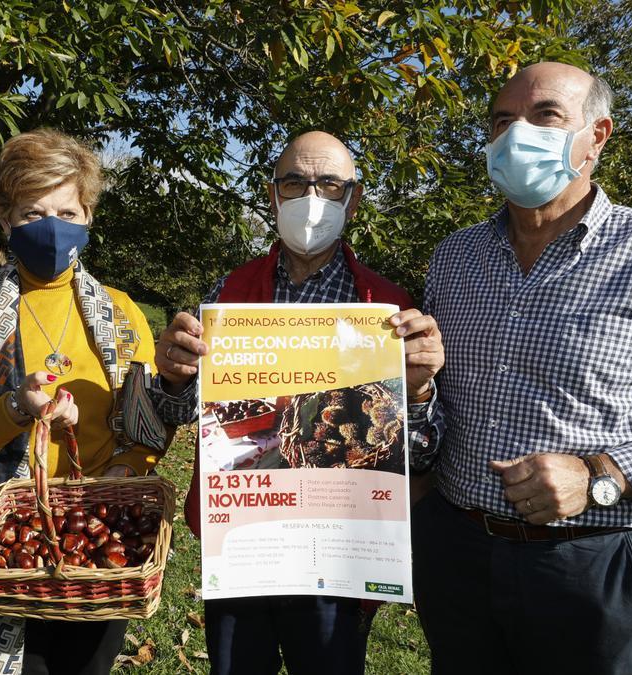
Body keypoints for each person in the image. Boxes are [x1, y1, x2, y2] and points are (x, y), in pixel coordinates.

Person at [414, 61, 632, 674]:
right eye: (502, 120)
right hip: (459, 557)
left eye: (545, 115)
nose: (517, 133)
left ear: (597, 136)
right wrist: (416, 390)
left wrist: (602, 474)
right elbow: (435, 408)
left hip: (601, 564)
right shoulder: (455, 259)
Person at [155, 130, 445, 675]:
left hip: (342, 554)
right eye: (295, 182)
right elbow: (183, 413)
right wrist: (173, 377)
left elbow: (423, 452)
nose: (311, 198)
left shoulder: (389, 309)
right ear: (273, 196)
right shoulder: (229, 293)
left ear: (352, 200)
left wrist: (423, 390)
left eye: (329, 184)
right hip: (246, 545)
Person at [0, 128, 193, 675]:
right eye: (30, 214)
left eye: (67, 212)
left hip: (95, 541)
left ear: (88, 215)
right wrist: (14, 409)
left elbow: (146, 428)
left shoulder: (119, 316)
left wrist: (126, 467)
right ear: (4, 217)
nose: (51, 229)